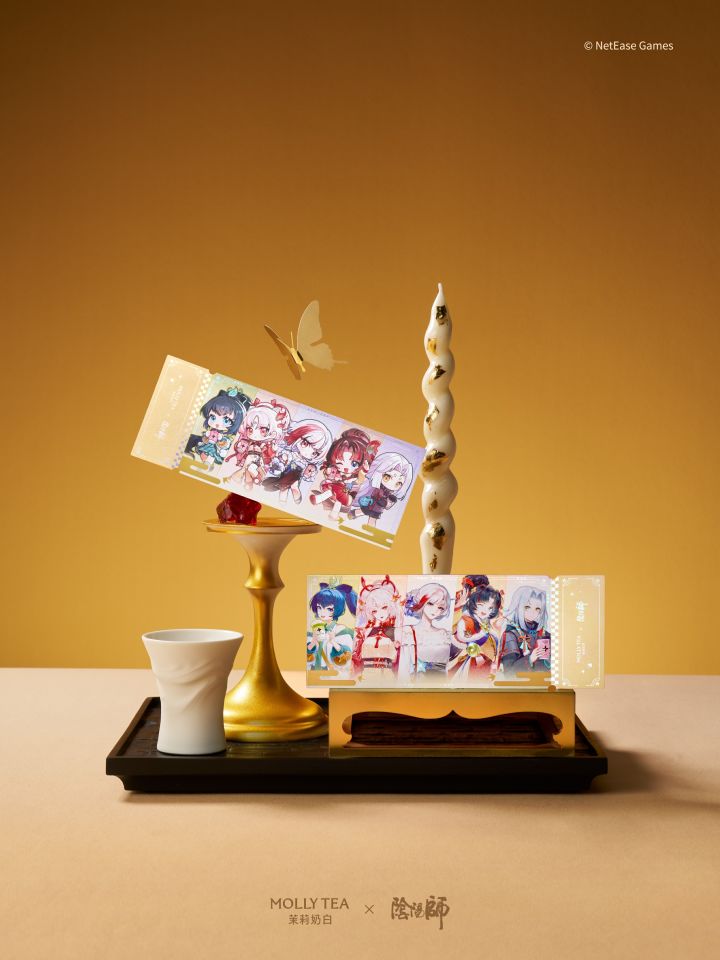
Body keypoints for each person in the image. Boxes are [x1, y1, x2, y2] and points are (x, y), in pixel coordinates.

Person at [401, 582, 453, 679]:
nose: (435, 610)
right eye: (430, 603)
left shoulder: (444, 634)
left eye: (440, 607)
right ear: (422, 602)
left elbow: (447, 666)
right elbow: (404, 668)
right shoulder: (408, 632)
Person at [497, 584, 551, 675]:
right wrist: (530, 659)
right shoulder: (510, 635)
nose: (532, 612)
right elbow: (509, 673)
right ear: (518, 606)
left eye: (537, 609)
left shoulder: (544, 634)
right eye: (527, 607)